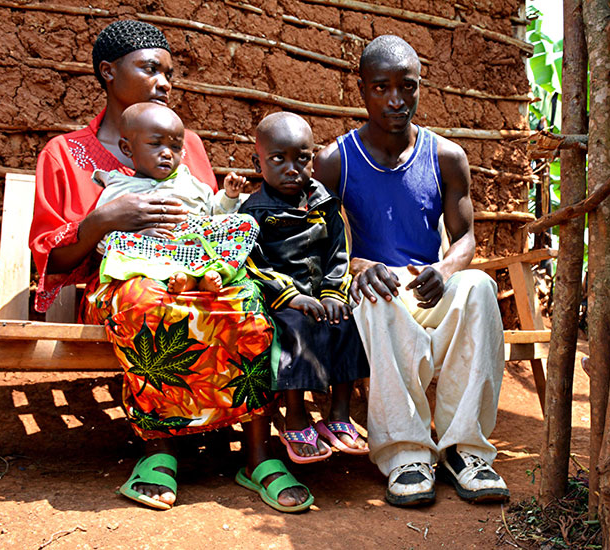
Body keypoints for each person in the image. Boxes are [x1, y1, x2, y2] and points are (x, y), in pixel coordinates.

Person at [29, 19, 311, 513]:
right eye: (150, 69)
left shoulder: (189, 145)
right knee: (147, 304)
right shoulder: (65, 154)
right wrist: (103, 220)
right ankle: (160, 452)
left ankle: (258, 454)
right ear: (108, 72)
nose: (165, 82)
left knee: (246, 302)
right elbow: (51, 257)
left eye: (170, 73)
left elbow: (203, 215)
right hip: (119, 286)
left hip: (191, 270)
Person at [314, 35, 510, 506]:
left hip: (429, 283)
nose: (396, 100)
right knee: (374, 295)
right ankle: (406, 454)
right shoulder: (334, 161)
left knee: (480, 285)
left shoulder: (446, 156)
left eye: (408, 86)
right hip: (373, 285)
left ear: (422, 87)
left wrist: (445, 269)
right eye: (381, 87)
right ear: (361, 89)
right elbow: (317, 242)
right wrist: (359, 265)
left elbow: (465, 238)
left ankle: (465, 451)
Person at [240, 112, 369, 463]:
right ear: (258, 162)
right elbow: (252, 263)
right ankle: (295, 415)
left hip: (321, 295)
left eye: (302, 158)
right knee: (295, 327)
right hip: (281, 301)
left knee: (347, 321)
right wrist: (292, 297)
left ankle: (339, 413)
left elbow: (339, 253)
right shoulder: (253, 212)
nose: (292, 168)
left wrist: (331, 293)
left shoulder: (324, 204)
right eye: (278, 159)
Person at [94, 102, 254, 294]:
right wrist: (140, 236)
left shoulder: (191, 183)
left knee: (246, 224)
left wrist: (229, 196)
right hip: (151, 255)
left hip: (194, 251)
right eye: (155, 144)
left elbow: (215, 214)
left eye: (176, 147)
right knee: (117, 241)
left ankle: (210, 274)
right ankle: (185, 280)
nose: (167, 153)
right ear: (127, 149)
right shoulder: (118, 188)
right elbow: (103, 241)